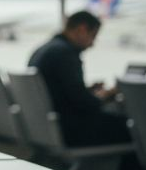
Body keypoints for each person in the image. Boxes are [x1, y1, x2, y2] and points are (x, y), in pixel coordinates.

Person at [27, 11, 130, 147]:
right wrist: (107, 94)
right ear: (82, 29)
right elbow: (84, 103)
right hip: (69, 130)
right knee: (132, 129)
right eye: (93, 36)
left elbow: (60, 91)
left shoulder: (43, 50)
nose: (92, 44)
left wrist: (87, 90)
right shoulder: (64, 53)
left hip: (46, 128)